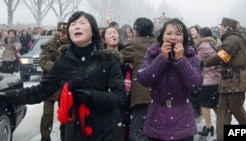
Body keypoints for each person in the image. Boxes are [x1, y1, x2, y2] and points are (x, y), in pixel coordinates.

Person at [0, 11, 126, 141]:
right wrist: (6, 96)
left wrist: (91, 96)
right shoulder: (63, 61)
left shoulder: (108, 59)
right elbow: (41, 91)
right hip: (74, 132)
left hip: (106, 132)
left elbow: (120, 97)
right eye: (73, 24)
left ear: (93, 31)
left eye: (82, 23)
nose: (77, 26)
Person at [137, 18, 203, 141]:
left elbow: (195, 83)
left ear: (184, 37)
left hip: (183, 119)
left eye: (178, 34)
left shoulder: (190, 54)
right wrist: (162, 59)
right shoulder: (153, 53)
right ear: (162, 36)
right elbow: (143, 79)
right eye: (168, 33)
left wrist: (181, 60)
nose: (173, 38)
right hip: (157, 118)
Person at [200, 17, 246, 141]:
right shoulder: (233, 39)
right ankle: (222, 137)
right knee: (223, 109)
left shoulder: (232, 39)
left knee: (235, 108)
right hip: (229, 79)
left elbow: (223, 57)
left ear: (227, 28)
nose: (220, 29)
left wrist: (204, 63)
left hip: (236, 79)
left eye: (222, 26)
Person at [120, 17, 157, 141]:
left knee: (137, 134)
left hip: (142, 96)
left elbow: (119, 57)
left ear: (136, 31)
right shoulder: (158, 43)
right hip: (159, 94)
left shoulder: (134, 43)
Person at [39, 22, 68, 141]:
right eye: (62, 33)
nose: (65, 36)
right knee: (47, 116)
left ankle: (65, 137)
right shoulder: (49, 45)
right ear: (58, 32)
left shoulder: (71, 46)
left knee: (66, 115)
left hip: (65, 85)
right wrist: (58, 67)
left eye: (67, 33)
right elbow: (43, 62)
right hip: (50, 83)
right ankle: (45, 138)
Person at [196, 27, 222, 137]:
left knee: (203, 103)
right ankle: (222, 126)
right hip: (218, 79)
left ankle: (208, 127)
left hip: (208, 79)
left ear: (201, 35)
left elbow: (197, 62)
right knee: (216, 104)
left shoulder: (203, 46)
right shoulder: (215, 44)